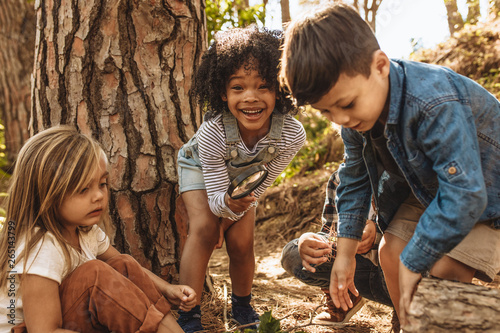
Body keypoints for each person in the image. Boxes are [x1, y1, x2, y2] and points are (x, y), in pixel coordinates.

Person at [279, 3, 500, 329]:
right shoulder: (354, 119)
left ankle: (440, 322)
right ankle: (410, 323)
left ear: (380, 65)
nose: (341, 120)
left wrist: (417, 258)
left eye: (346, 104)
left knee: (443, 269)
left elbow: (466, 194)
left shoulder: (433, 103)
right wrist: (345, 253)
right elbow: (354, 178)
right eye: (327, 113)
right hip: (435, 189)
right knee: (390, 253)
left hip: (485, 194)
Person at [0, 126, 196, 333]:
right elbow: (43, 331)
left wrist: (168, 289)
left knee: (123, 264)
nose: (99, 196)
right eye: (83, 189)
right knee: (94, 275)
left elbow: (129, 271)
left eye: (102, 184)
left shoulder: (85, 232)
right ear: (46, 194)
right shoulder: (41, 249)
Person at [176, 26, 306, 332]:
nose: (251, 97)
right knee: (205, 230)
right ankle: (189, 313)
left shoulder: (291, 134)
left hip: (245, 184)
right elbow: (218, 196)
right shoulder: (213, 133)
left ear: (280, 88)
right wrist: (221, 217)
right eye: (238, 88)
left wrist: (233, 214)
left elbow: (261, 182)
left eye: (263, 86)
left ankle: (243, 306)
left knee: (243, 243)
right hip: (200, 171)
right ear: (223, 92)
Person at [281, 170, 395, 326]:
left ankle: (404, 310)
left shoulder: (400, 176)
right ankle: (343, 296)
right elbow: (330, 232)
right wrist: (311, 240)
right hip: (357, 268)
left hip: (395, 272)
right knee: (292, 255)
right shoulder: (340, 178)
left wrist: (378, 235)